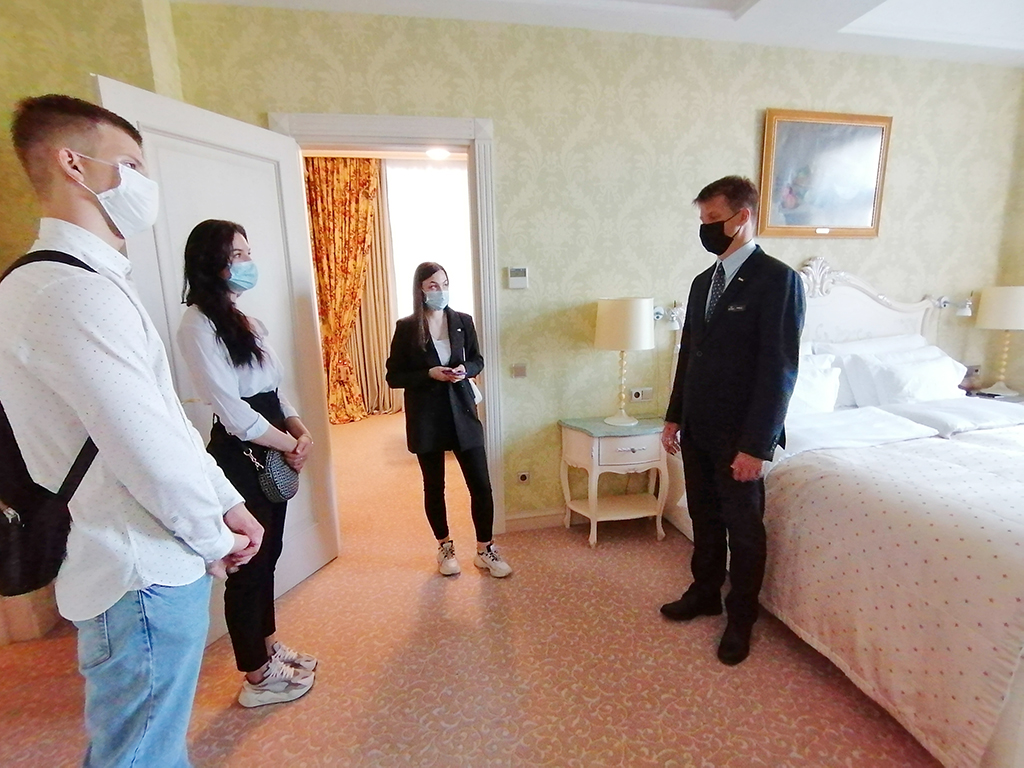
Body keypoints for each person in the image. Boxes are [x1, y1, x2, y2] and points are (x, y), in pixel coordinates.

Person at [0, 95, 263, 766]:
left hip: (151, 556)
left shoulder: (90, 280)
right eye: (131, 165)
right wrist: (213, 537)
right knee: (141, 755)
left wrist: (226, 501)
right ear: (73, 164)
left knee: (151, 745)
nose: (145, 184)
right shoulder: (66, 291)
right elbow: (145, 448)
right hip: (137, 569)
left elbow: (164, 416)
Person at [660, 176, 805, 665]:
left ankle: (741, 617)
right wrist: (673, 417)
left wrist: (756, 446)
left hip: (740, 435)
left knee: (743, 530)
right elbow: (689, 356)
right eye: (702, 220)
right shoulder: (703, 283)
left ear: (742, 217)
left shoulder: (777, 280)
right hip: (698, 427)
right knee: (704, 517)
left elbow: (779, 369)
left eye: (713, 219)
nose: (705, 228)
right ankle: (704, 592)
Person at [177, 219, 318, 708]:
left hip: (273, 443)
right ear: (211, 262)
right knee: (248, 564)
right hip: (242, 456)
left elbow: (275, 389)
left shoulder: (246, 322)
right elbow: (234, 412)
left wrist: (300, 431)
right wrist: (286, 443)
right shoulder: (197, 324)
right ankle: (256, 676)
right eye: (237, 254)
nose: (247, 262)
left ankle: (269, 645)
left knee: (270, 552)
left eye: (247, 252)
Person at [386, 262, 512, 578]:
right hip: (426, 415)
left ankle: (485, 549)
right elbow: (393, 376)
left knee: (481, 484)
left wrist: (465, 370)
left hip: (462, 411)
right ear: (420, 289)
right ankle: (445, 547)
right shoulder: (406, 327)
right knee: (434, 486)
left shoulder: (463, 321)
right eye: (433, 285)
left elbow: (477, 360)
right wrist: (428, 373)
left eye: (444, 284)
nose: (440, 290)